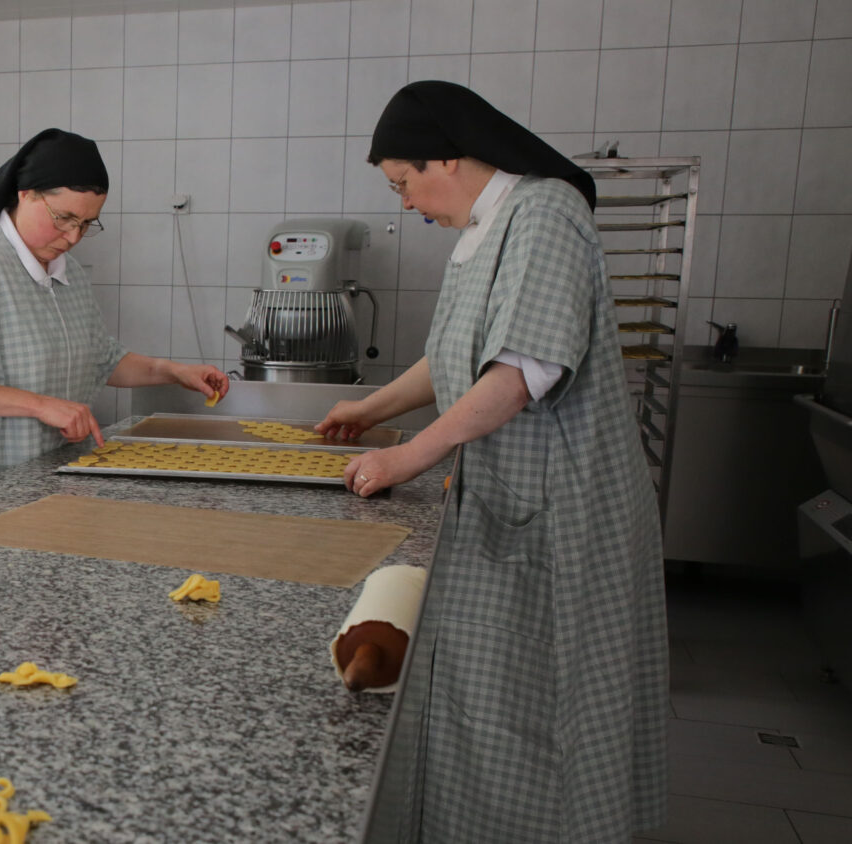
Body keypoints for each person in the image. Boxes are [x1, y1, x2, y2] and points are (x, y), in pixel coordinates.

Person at [322, 81, 667, 843]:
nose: (408, 203)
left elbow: (517, 374)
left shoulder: (545, 213)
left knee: (555, 702)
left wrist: (406, 456)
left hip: (566, 516)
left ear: (448, 153)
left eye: (405, 183)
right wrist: (369, 410)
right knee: (493, 700)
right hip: (507, 500)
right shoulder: (485, 229)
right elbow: (458, 358)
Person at [0, 128, 228, 511]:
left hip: (39, 479)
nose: (73, 236)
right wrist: (42, 405)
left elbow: (100, 356)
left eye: (87, 224)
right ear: (26, 195)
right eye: (64, 218)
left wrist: (174, 372)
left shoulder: (65, 269)